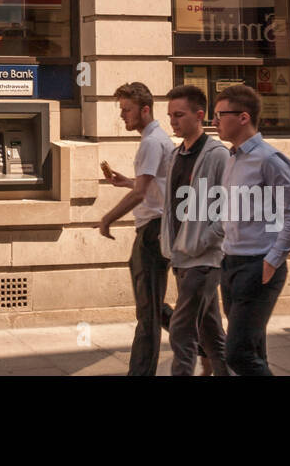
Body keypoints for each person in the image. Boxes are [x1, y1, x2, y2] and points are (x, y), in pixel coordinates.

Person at [213, 83, 290, 375]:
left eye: (219, 115)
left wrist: (271, 261)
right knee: (252, 350)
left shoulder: (269, 160)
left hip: (258, 266)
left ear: (243, 117)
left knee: (238, 354)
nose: (214, 122)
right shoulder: (231, 157)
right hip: (230, 264)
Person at [99, 82, 175, 375]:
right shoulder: (157, 139)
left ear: (144, 109)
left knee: (147, 313)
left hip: (153, 233)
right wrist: (127, 181)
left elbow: (142, 194)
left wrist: (108, 218)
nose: (122, 116)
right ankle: (207, 346)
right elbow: (154, 185)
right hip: (157, 229)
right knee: (152, 306)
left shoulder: (151, 142)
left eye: (126, 109)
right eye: (121, 109)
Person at [161, 84, 229, 376]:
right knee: (211, 332)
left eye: (179, 115)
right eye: (170, 116)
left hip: (205, 260)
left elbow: (230, 210)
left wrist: (204, 240)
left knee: (181, 329)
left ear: (199, 115)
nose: (173, 122)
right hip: (182, 257)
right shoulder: (177, 155)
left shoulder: (217, 155)